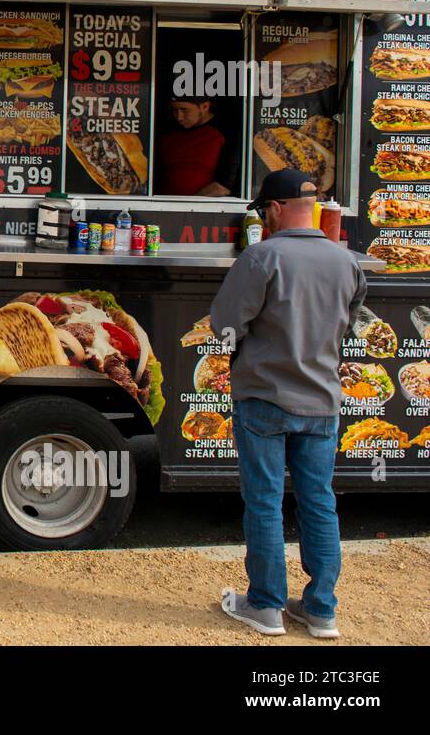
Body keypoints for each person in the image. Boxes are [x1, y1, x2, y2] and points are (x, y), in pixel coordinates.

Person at [210, 169, 365, 638]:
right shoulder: (346, 262)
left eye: (264, 210)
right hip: (321, 401)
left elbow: (225, 327)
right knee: (319, 502)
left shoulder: (262, 257)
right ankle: (321, 611)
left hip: (264, 398)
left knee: (264, 502)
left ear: (275, 209)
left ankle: (266, 606)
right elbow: (349, 325)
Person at [156, 97, 237, 196]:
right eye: (175, 110)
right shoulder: (166, 132)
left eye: (185, 110)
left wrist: (187, 207)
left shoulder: (226, 133)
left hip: (202, 207)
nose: (179, 117)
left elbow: (223, 187)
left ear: (205, 106)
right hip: (159, 203)